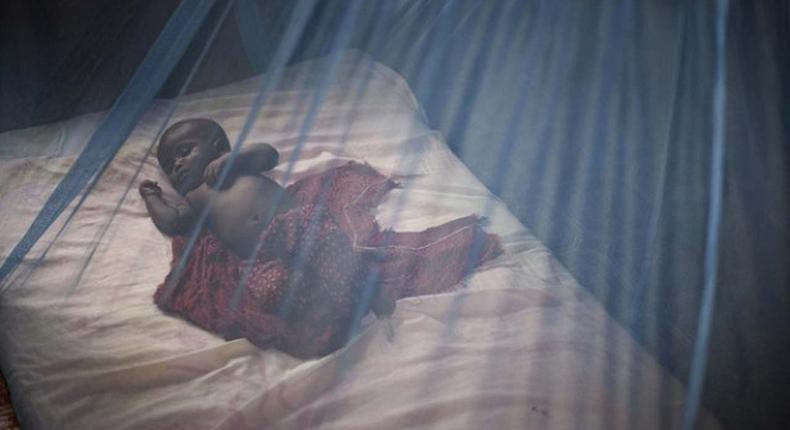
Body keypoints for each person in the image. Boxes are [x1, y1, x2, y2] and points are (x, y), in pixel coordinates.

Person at [139, 118, 502, 358]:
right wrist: (154, 196)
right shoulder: (193, 199)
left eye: (184, 152)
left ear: (218, 145)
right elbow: (175, 223)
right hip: (260, 257)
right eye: (171, 165)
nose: (178, 166)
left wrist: (239, 157)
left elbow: (270, 154)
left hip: (296, 224)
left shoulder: (238, 162)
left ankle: (366, 287)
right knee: (268, 290)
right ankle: (326, 311)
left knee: (330, 247)